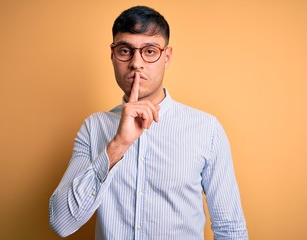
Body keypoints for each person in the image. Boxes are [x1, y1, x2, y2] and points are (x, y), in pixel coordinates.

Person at [49, 5, 248, 239]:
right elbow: (61, 222)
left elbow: (230, 228)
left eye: (150, 51)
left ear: (167, 57)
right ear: (112, 55)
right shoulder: (94, 128)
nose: (136, 63)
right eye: (125, 51)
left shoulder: (206, 129)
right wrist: (118, 145)